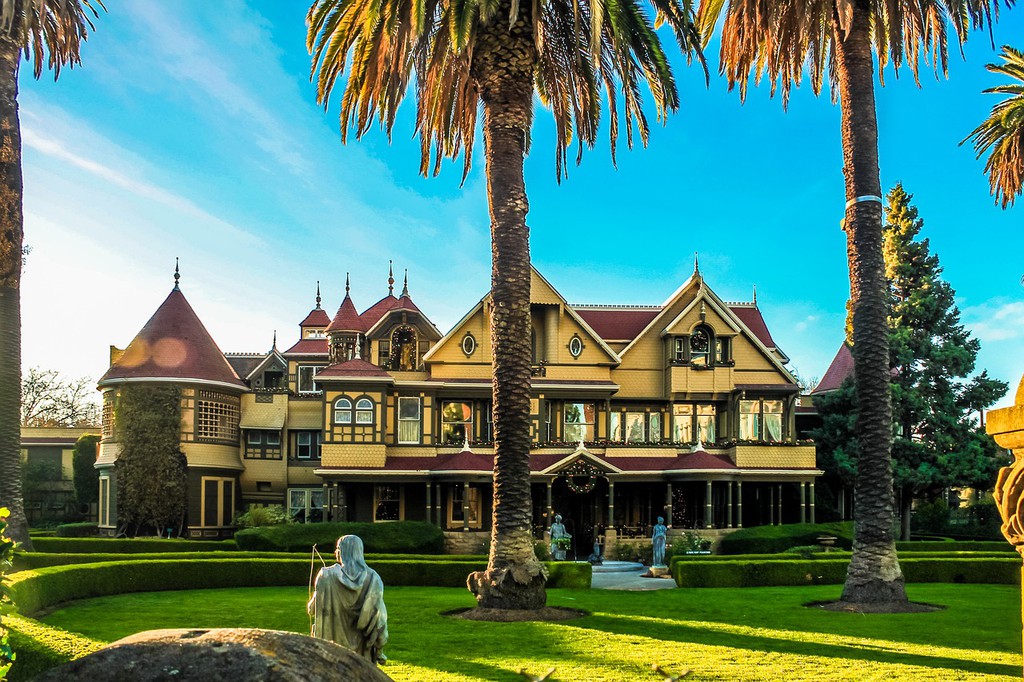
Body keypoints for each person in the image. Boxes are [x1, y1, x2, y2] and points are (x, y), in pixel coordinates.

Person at [307, 535, 388, 664]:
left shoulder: (326, 575)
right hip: (362, 652)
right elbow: (379, 619)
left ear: (344, 551)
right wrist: (379, 650)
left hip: (332, 651)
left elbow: (312, 609)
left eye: (338, 548)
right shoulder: (373, 578)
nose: (336, 552)